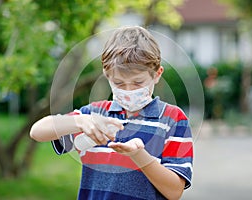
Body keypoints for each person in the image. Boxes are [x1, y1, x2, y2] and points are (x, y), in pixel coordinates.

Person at [30, 26, 193, 200]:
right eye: (119, 83)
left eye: (138, 82)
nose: (129, 90)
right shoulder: (94, 115)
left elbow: (174, 191)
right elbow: (37, 131)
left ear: (157, 74)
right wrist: (80, 122)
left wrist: (138, 155)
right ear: (107, 75)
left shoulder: (173, 119)